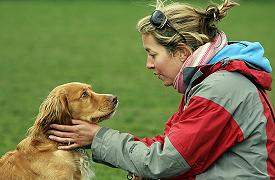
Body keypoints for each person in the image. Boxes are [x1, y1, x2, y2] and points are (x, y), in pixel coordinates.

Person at [48, 0, 275, 179]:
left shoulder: (220, 90)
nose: (148, 64)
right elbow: (170, 147)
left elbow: (165, 161)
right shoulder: (211, 82)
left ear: (182, 53)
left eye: (153, 54)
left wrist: (98, 138)